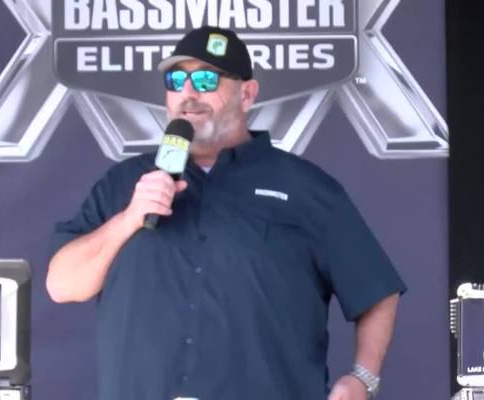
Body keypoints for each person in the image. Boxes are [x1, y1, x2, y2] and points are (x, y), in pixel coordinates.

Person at [47, 26, 406, 400]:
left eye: (206, 80)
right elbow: (62, 285)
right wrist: (128, 218)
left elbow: (376, 289)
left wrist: (364, 377)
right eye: (176, 81)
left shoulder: (306, 188)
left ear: (247, 94)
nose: (189, 94)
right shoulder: (125, 183)